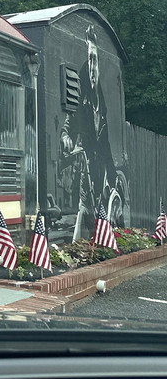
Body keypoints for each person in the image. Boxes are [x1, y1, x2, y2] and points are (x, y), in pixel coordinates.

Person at [60, 25, 117, 237]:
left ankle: (102, 240)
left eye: (95, 69)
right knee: (84, 208)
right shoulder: (79, 108)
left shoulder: (101, 106)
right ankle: (79, 243)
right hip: (86, 165)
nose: (93, 74)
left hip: (102, 165)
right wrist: (65, 137)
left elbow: (95, 67)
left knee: (101, 208)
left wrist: (93, 47)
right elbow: (67, 127)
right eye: (90, 72)